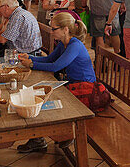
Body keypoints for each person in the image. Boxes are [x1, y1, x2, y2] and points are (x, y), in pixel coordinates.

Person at [15, 10, 95, 154]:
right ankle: (39, 138)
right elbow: (49, 59)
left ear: (65, 29)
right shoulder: (63, 43)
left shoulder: (74, 45)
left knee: (43, 99)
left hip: (84, 88)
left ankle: (55, 135)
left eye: (54, 29)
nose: (51, 32)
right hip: (72, 83)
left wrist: (32, 65)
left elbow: (56, 66)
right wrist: (30, 58)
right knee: (40, 96)